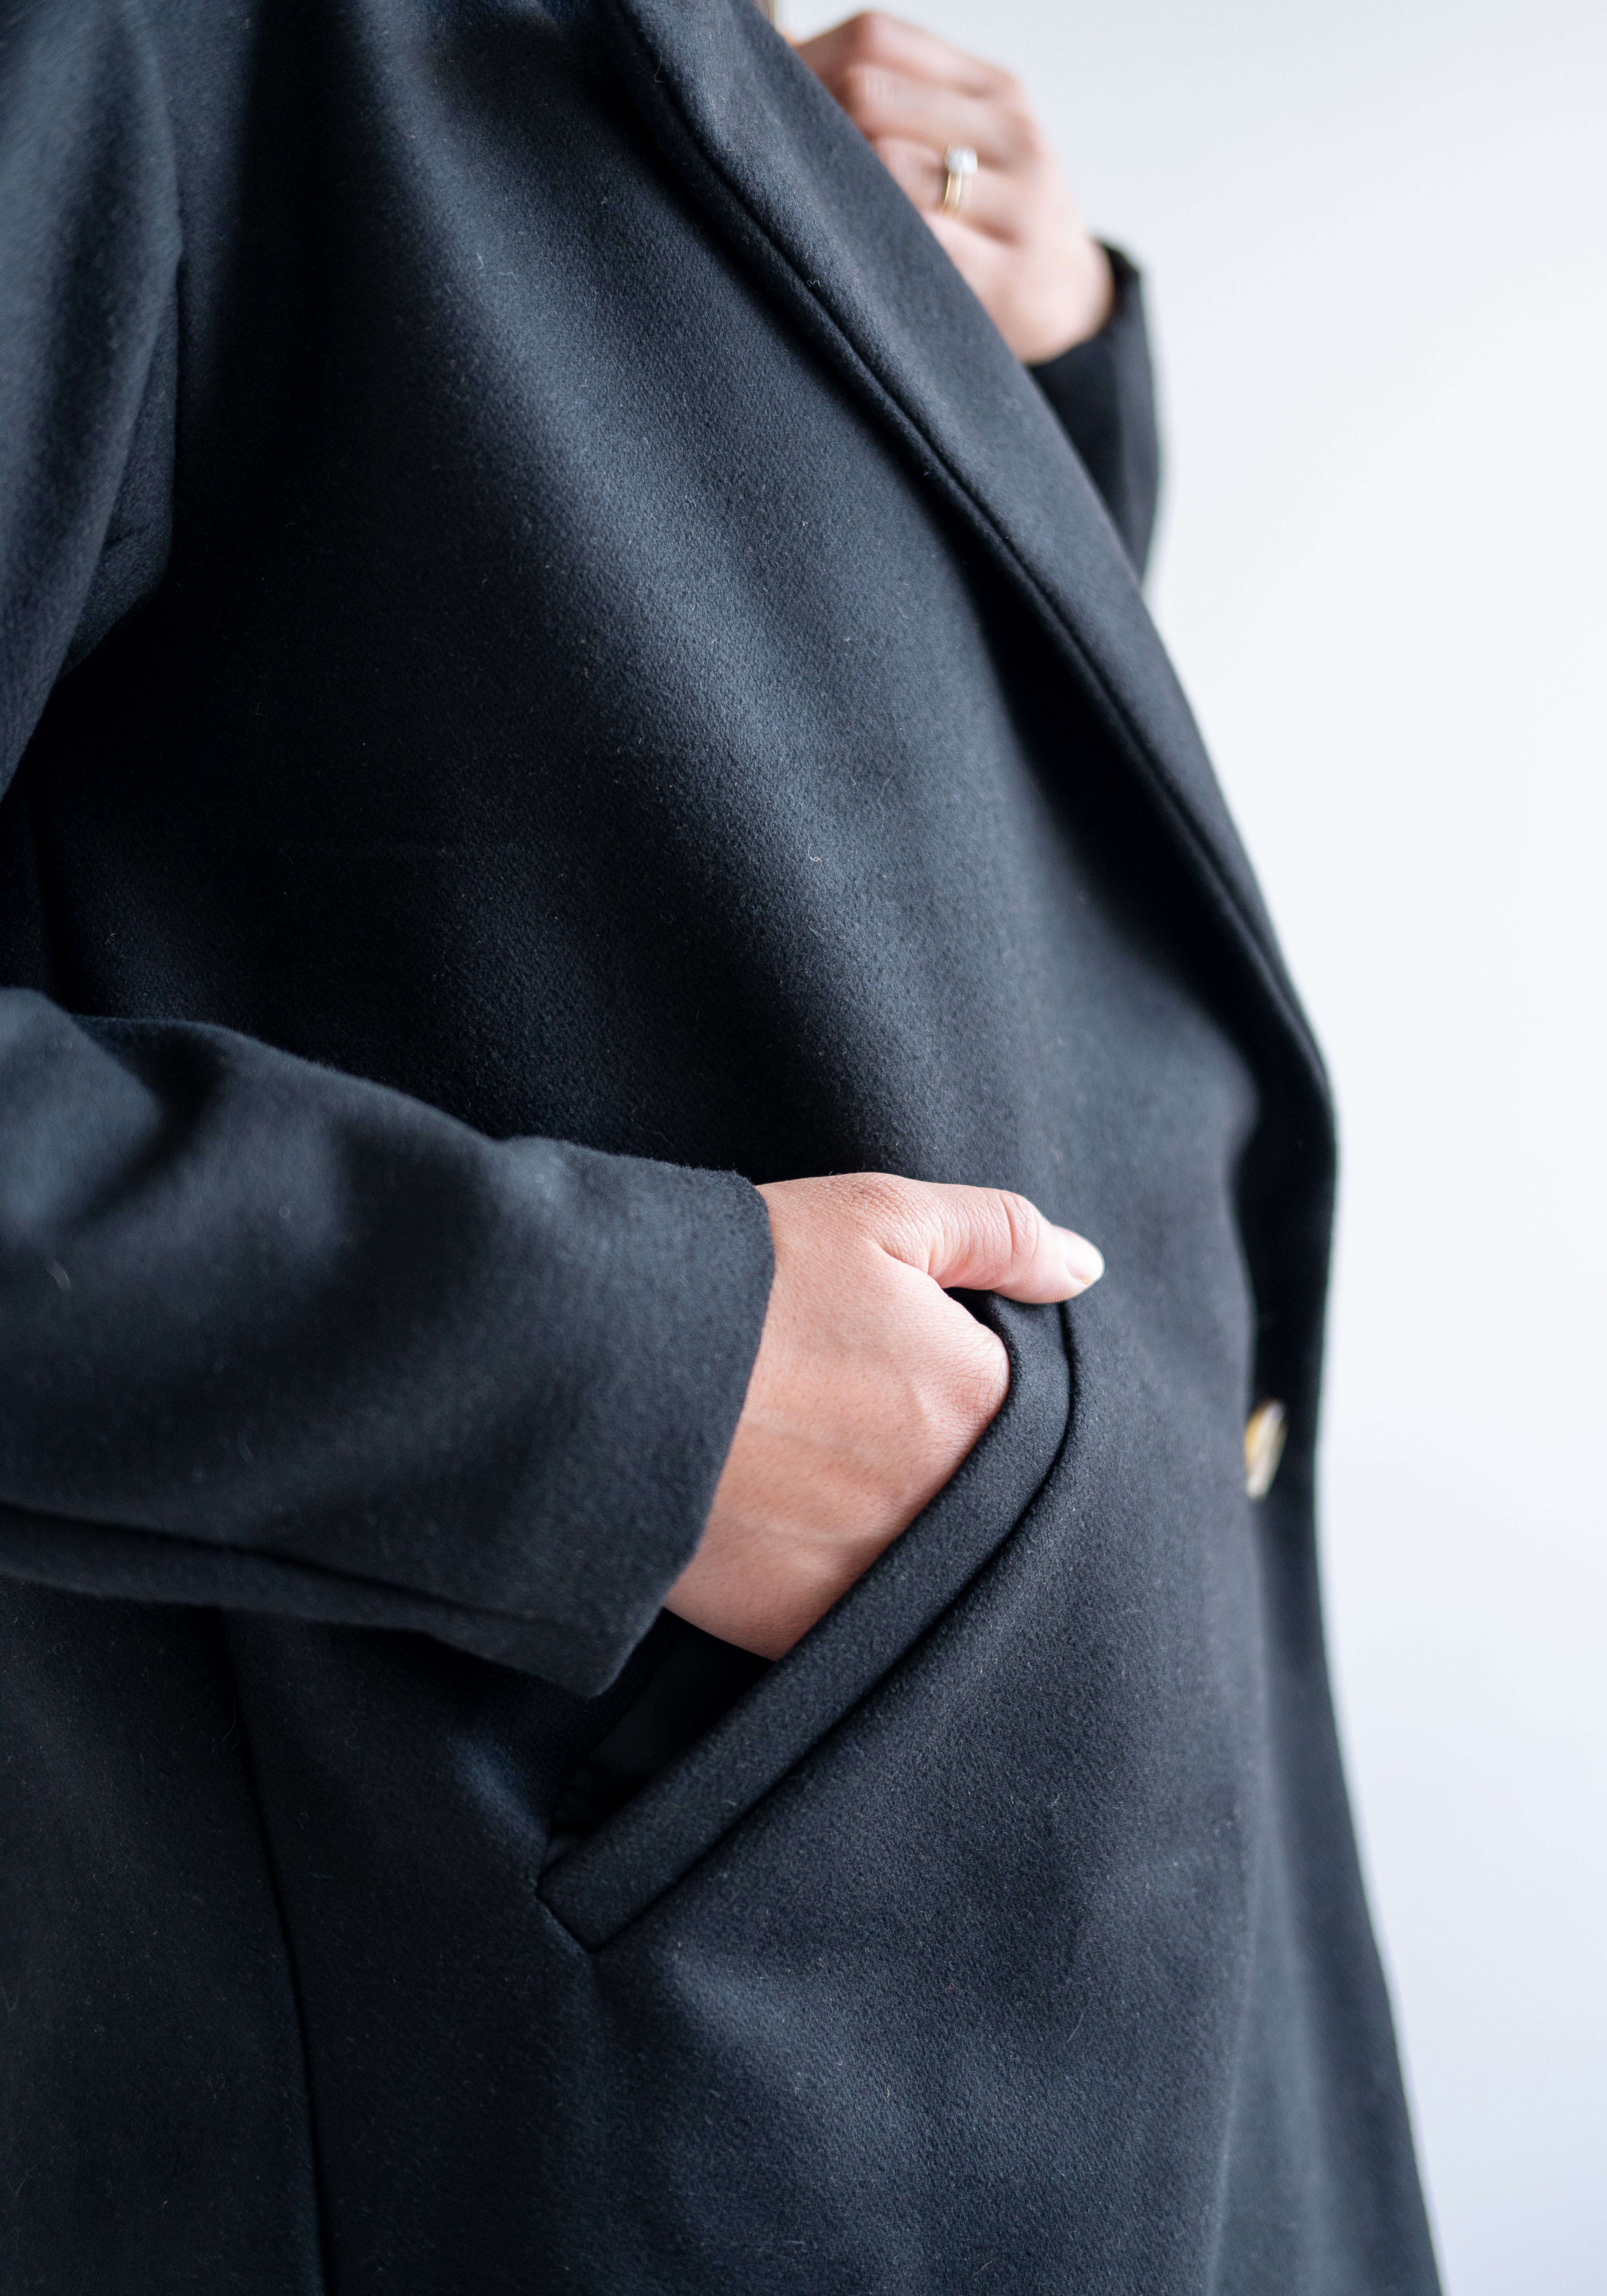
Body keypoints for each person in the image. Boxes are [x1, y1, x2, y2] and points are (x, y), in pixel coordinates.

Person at [0, 0, 1440, 2287]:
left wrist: (1020, 379)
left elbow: (663, 781)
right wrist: (644, 1381)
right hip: (623, 2085)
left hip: (1056, 1973)